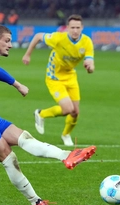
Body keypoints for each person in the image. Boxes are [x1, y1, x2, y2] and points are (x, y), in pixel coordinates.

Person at [0, 24, 96, 205]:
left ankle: (67, 156)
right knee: (8, 156)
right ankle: (36, 202)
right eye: (7, 41)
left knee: (24, 137)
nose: (11, 45)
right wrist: (17, 85)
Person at [22, 14, 95, 146]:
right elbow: (38, 36)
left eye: (78, 27)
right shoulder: (58, 38)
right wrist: (27, 54)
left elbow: (90, 61)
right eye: (72, 27)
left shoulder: (87, 42)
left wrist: (90, 67)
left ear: (82, 28)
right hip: (54, 77)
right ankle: (41, 114)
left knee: (75, 112)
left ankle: (66, 135)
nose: (75, 30)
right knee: (67, 109)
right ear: (67, 28)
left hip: (71, 76)